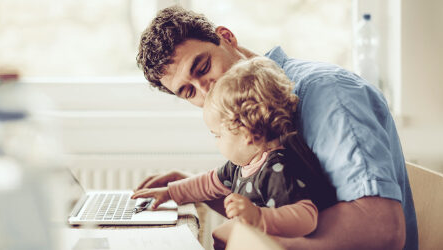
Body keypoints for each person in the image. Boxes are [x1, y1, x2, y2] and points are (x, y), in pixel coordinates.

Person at [135, 6, 415, 250]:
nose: (205, 91)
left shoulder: (328, 94)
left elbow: (383, 229)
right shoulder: (244, 104)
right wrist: (191, 188)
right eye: (188, 92)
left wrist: (256, 241)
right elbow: (274, 199)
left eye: (203, 66)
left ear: (227, 38)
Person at [132, 57, 337, 245]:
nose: (216, 142)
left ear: (247, 133)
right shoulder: (241, 165)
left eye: (217, 135)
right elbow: (208, 183)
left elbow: (307, 217)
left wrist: (258, 217)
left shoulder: (277, 170)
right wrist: (170, 193)